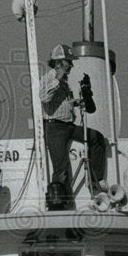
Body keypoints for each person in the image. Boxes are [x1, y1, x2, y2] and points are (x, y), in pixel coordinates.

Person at [39, 44, 108, 202]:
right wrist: (58, 77)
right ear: (59, 63)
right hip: (54, 126)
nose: (72, 65)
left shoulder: (64, 81)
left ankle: (95, 178)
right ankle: (59, 201)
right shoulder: (49, 78)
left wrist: (75, 102)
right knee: (61, 167)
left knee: (96, 137)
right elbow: (44, 97)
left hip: (67, 125)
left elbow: (63, 103)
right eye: (68, 62)